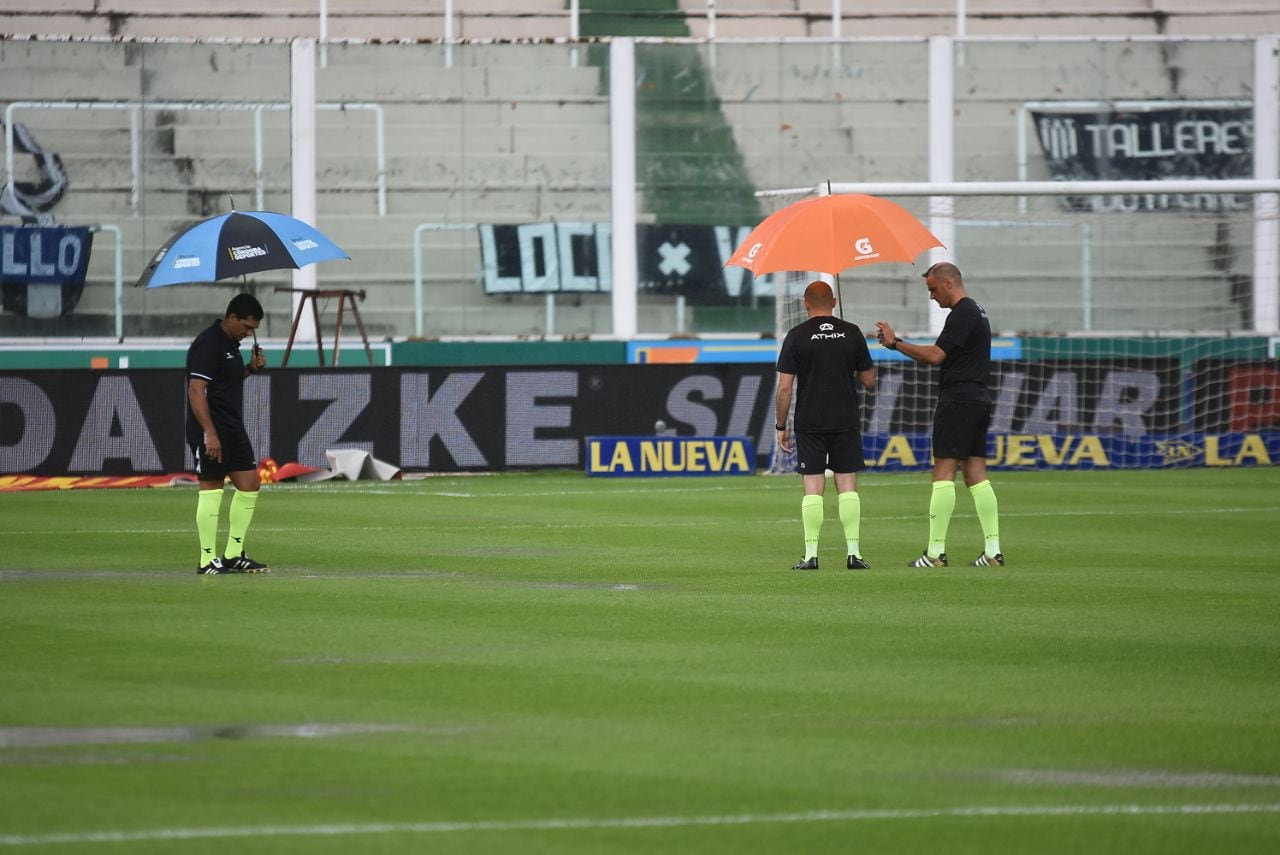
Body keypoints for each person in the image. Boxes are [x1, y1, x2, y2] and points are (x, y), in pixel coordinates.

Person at [875, 262, 1003, 568]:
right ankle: (992, 551)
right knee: (975, 475)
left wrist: (895, 343)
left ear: (948, 283)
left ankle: (935, 554)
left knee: (943, 472)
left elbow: (935, 356)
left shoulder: (963, 312)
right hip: (978, 397)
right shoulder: (977, 311)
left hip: (958, 399)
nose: (932, 296)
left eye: (933, 289)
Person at [775, 281, 877, 571]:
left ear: (805, 303)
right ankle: (854, 554)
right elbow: (869, 381)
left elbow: (784, 389)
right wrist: (855, 362)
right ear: (833, 301)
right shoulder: (852, 332)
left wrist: (780, 425)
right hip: (845, 418)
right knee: (847, 485)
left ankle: (810, 556)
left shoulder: (796, 335)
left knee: (813, 485)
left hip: (810, 420)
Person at [186, 293, 270, 575]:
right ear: (232, 318)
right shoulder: (208, 344)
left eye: (253, 330)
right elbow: (196, 390)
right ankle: (206, 559)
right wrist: (209, 433)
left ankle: (233, 554)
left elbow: (225, 382)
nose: (249, 333)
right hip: (211, 431)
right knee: (211, 490)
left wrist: (250, 369)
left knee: (250, 484)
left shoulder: (231, 345)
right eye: (247, 327)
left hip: (233, 428)